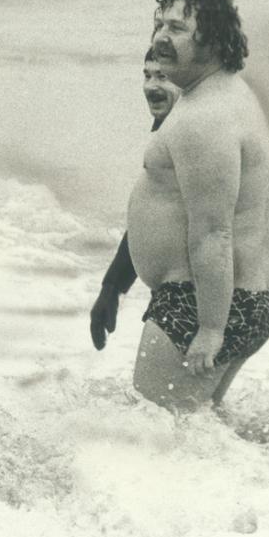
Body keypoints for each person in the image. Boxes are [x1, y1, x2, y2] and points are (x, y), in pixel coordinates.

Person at [123, 0, 269, 411]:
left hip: (203, 301)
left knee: (150, 436)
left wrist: (212, 328)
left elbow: (214, 233)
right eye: (158, 25)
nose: (159, 38)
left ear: (211, 38)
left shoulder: (204, 118)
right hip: (241, 297)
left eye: (176, 28)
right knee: (197, 435)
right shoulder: (228, 94)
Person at [90, 49, 180, 350]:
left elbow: (215, 235)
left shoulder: (190, 137)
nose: (151, 86)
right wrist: (112, 287)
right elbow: (151, 216)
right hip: (182, 298)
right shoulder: (171, 133)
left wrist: (209, 328)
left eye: (163, 76)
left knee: (155, 398)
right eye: (147, 75)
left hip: (189, 303)